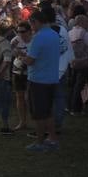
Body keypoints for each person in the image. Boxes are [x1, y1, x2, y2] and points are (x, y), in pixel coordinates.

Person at [21, 9, 61, 152]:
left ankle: (40, 142)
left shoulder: (39, 37)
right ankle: (53, 138)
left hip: (38, 79)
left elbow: (30, 60)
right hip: (52, 78)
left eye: (31, 24)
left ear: (36, 22)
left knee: (38, 113)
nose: (31, 27)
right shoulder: (54, 34)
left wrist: (20, 56)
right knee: (47, 111)